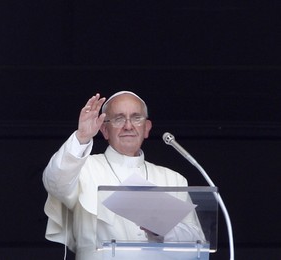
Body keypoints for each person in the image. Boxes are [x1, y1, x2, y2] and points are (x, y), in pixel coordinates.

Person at [43, 91, 204, 260]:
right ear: (104, 130)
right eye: (119, 118)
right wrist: (81, 136)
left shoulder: (173, 179)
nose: (128, 126)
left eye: (136, 118)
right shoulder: (83, 167)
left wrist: (162, 229)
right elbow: (55, 183)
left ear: (147, 128)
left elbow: (195, 244)